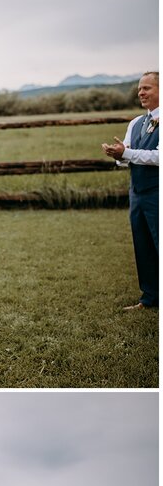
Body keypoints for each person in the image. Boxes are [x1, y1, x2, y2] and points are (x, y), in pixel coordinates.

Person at [102, 71, 158, 311]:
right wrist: (118, 154)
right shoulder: (136, 123)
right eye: (139, 89)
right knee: (142, 244)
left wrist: (126, 153)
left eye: (147, 88)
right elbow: (127, 157)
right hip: (137, 192)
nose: (141, 93)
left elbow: (158, 156)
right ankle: (150, 297)